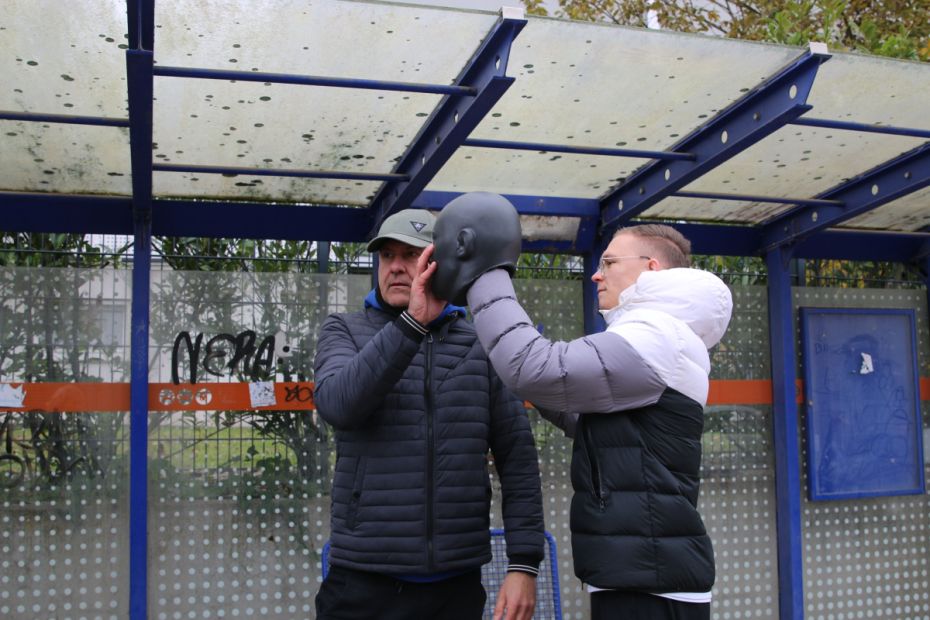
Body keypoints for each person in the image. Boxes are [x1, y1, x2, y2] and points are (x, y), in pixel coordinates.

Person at [429, 193, 733, 620]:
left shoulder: (659, 334)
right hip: (644, 575)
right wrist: (513, 359)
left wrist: (485, 270)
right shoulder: (664, 336)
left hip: (649, 583)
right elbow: (583, 415)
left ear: (652, 269)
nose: (596, 274)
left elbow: (539, 370)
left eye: (608, 263)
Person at [313, 208, 545, 620]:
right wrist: (412, 323)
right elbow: (338, 405)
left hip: (455, 584)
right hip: (363, 580)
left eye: (411, 255)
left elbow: (518, 458)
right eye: (387, 256)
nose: (397, 267)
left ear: (438, 263)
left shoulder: (482, 343)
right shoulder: (344, 330)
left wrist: (523, 564)